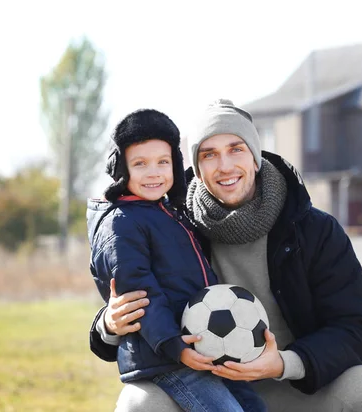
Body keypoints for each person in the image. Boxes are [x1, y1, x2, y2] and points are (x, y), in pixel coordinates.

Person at [89, 99, 362, 412]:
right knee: (138, 402)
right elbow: (143, 300)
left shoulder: (313, 230)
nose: (224, 166)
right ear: (196, 166)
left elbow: (355, 327)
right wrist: (109, 326)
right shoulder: (175, 225)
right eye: (209, 155)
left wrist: (284, 363)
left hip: (295, 386)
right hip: (209, 388)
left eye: (236, 149)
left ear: (254, 156)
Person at [87, 108, 267, 412]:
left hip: (203, 346)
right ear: (121, 169)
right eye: (140, 164)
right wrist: (175, 346)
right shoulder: (122, 223)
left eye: (163, 162)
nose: (154, 172)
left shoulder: (170, 212)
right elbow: (141, 294)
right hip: (168, 359)